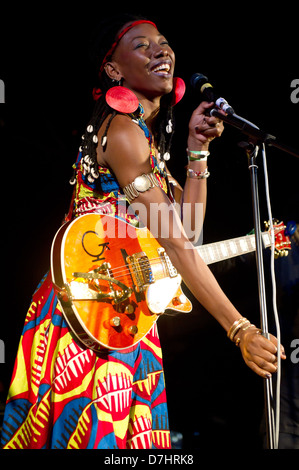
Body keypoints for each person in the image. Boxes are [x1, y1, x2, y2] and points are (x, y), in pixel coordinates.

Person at [0, 13, 285, 450]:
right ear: (114, 71)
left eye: (164, 43)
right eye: (142, 45)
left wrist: (197, 151)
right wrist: (239, 327)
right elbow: (174, 242)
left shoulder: (147, 147)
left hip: (129, 316)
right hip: (86, 312)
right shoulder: (122, 134)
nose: (161, 50)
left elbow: (188, 233)